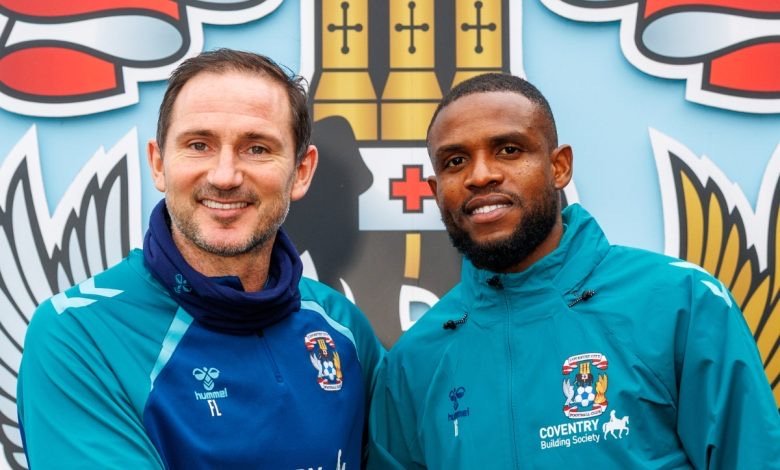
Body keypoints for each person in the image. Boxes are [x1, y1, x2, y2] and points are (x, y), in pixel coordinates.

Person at [368, 73, 780, 469]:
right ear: (435, 190)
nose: (481, 175)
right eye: (455, 161)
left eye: (509, 150)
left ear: (560, 167)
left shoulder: (680, 302)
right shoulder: (413, 361)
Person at [18, 49, 384, 469]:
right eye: (199, 145)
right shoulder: (79, 332)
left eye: (257, 149)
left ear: (301, 171)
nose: (225, 176)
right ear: (158, 164)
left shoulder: (342, 326)